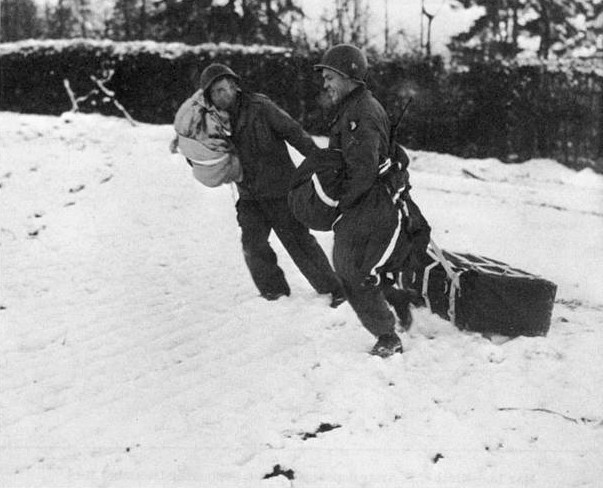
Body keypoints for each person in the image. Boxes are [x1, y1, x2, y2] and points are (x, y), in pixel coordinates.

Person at [188, 63, 345, 306]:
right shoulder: (212, 122)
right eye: (216, 92)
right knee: (253, 244)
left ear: (234, 86)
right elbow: (204, 153)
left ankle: (335, 290)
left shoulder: (260, 107)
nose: (222, 96)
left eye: (225, 89)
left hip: (280, 189)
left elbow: (293, 132)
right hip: (249, 194)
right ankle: (274, 292)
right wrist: (195, 157)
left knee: (299, 242)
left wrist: (321, 161)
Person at [315, 44, 429, 357]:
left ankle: (387, 336)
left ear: (347, 75)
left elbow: (362, 170)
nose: (324, 84)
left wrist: (341, 205)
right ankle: (397, 300)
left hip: (370, 201)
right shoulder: (357, 106)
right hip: (373, 198)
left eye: (329, 77)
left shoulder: (359, 113)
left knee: (349, 268)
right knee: (360, 265)